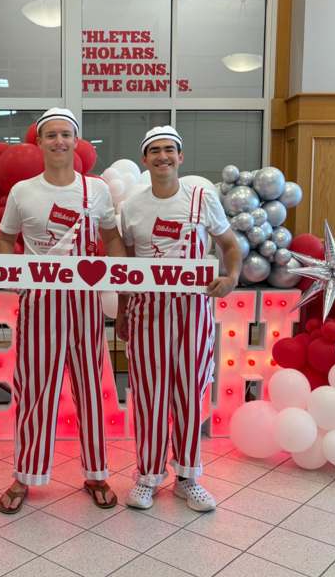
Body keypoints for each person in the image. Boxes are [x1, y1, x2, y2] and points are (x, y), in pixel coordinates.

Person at [0, 108, 127, 513]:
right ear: (38, 142)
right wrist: (16, 280)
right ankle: (26, 474)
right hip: (39, 306)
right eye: (50, 135)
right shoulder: (23, 191)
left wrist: (121, 288)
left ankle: (96, 472)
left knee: (90, 389)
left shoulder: (97, 189)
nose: (58, 142)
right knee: (35, 391)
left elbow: (112, 240)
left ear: (76, 141)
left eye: (65, 135)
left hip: (85, 304)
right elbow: (5, 240)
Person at [117, 126, 242, 511]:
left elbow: (230, 245)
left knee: (189, 393)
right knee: (150, 396)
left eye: (169, 150)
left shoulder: (202, 198)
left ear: (181, 157)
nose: (162, 157)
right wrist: (122, 312)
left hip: (193, 312)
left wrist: (232, 276)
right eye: (154, 151)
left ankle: (188, 476)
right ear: (145, 159)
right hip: (146, 312)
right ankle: (148, 477)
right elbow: (126, 267)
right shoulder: (132, 208)